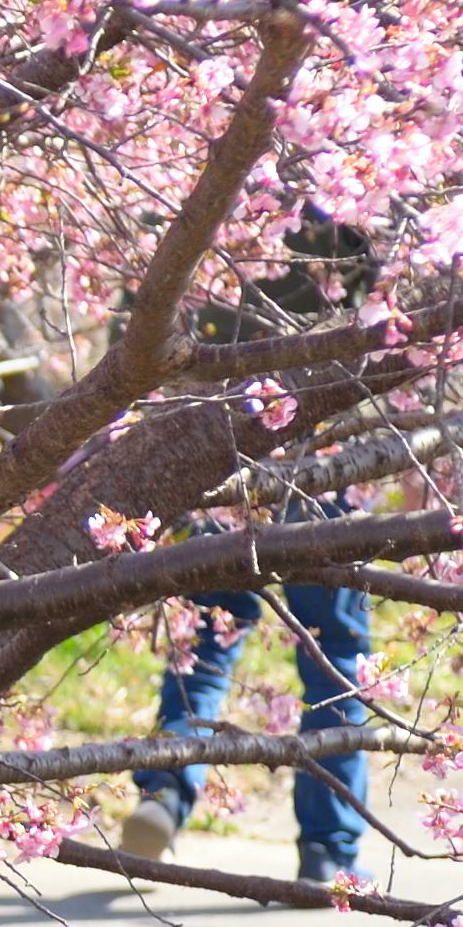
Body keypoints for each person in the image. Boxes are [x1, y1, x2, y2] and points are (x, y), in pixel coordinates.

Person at [109, 211, 383, 891]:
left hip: (212, 458)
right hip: (323, 465)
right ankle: (327, 848)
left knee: (204, 642)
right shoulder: (355, 208)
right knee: (335, 657)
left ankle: (166, 792)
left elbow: (143, 325)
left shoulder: (200, 188)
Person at [109, 581, 376, 889]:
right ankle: (327, 850)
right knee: (335, 649)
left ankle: (166, 791)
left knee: (207, 634)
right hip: (316, 532)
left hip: (223, 535)